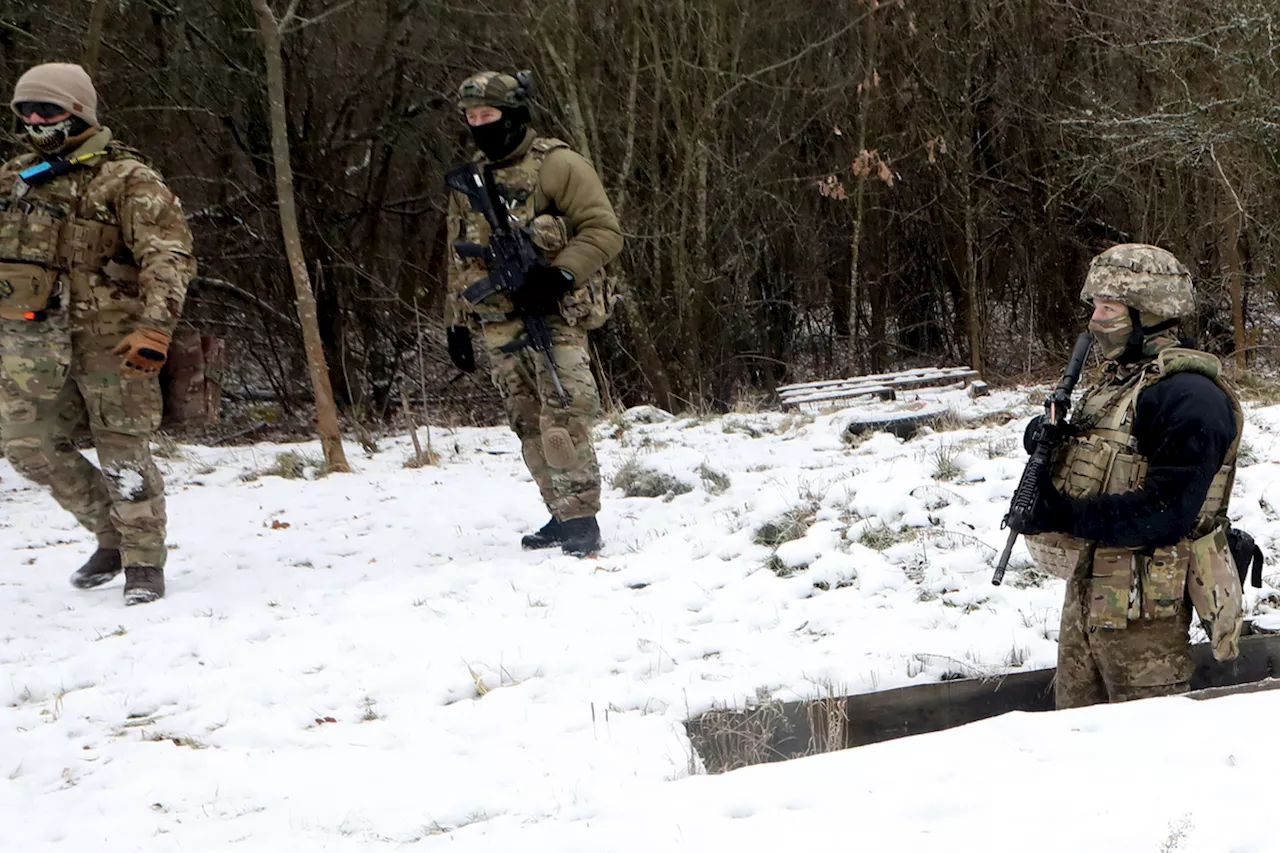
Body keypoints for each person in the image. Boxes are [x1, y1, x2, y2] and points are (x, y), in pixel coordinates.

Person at [0, 63, 195, 604]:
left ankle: (143, 561)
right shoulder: (14, 177)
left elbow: (169, 255)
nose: (36, 119)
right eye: (26, 110)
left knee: (122, 449)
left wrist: (156, 326)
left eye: (49, 109)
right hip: (31, 341)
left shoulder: (127, 179)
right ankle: (110, 536)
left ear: (79, 111)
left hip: (114, 338)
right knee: (25, 444)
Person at [1023, 243, 1244, 708]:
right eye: (1095, 306)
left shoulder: (1189, 397)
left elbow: (1168, 514)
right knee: (1073, 735)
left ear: (1150, 311)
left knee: (1148, 751)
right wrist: (1048, 440)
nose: (1095, 320)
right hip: (1088, 596)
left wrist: (1063, 514)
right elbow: (1104, 456)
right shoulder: (1118, 382)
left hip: (1147, 611)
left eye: (1110, 307)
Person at [443, 70, 622, 557]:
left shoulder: (559, 165)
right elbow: (458, 255)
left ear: (515, 114)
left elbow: (604, 231)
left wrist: (561, 274)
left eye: (490, 115)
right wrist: (455, 323)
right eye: (473, 117)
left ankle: (582, 518)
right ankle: (559, 513)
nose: (480, 124)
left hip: (555, 313)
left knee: (564, 414)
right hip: (497, 317)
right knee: (526, 421)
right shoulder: (471, 178)